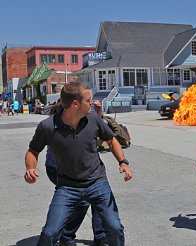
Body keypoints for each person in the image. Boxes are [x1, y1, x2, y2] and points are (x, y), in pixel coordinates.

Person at [24, 82, 133, 246]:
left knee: (115, 227)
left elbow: (112, 141)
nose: (92, 103)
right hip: (67, 187)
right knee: (50, 233)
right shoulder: (47, 126)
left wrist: (123, 162)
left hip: (97, 183)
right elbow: (33, 151)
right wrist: (30, 168)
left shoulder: (93, 119)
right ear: (75, 104)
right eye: (88, 100)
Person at [44, 100, 109, 246]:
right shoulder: (62, 123)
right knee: (87, 198)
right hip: (61, 168)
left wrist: (98, 114)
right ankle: (68, 236)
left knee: (95, 195)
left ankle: (99, 235)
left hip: (68, 167)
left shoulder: (74, 117)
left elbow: (95, 131)